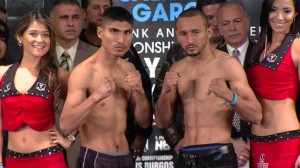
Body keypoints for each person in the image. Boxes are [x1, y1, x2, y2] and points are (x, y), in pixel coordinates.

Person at [155, 8, 262, 167]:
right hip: (187, 156)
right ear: (177, 35)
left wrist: (230, 96)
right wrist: (165, 92)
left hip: (218, 154)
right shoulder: (177, 68)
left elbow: (256, 116)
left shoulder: (227, 65)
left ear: (209, 32)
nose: (190, 39)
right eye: (183, 34)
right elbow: (162, 122)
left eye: (196, 32)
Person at [60, 6, 152, 167]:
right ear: (101, 33)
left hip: (125, 156)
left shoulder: (129, 69)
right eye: (114, 31)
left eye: (127, 32)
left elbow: (143, 122)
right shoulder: (84, 72)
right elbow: (66, 126)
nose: (121, 40)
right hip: (95, 157)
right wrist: (96, 97)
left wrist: (140, 92)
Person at [0, 11, 71, 168]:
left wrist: (69, 138)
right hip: (12, 160)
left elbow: (82, 108)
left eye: (45, 35)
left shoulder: (59, 75)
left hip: (49, 159)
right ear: (20, 37)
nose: (40, 40)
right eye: (33, 34)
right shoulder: (2, 73)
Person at [153, 0, 226, 153]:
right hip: (188, 146)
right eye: (209, 18)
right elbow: (162, 103)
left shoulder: (235, 55)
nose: (215, 23)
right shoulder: (177, 55)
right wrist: (176, 141)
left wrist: (236, 141)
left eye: (219, 17)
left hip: (229, 149)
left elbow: (248, 107)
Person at [247, 0, 300, 167]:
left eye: (286, 11)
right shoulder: (258, 48)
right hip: (256, 143)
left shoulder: (297, 47)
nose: (279, 17)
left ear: (295, 14)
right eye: (273, 10)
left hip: (287, 142)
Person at [49, 0, 98, 167]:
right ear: (51, 22)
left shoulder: (98, 57)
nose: (71, 23)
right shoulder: (38, 57)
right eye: (64, 17)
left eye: (75, 17)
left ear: (83, 19)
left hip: (87, 148)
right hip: (46, 146)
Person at [216, 1, 255, 166]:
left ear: (247, 22)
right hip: (222, 147)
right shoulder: (211, 61)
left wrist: (258, 139)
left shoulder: (265, 54)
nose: (232, 27)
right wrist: (229, 141)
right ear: (219, 28)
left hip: (260, 144)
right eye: (226, 23)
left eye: (237, 21)